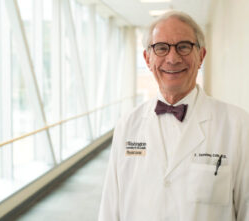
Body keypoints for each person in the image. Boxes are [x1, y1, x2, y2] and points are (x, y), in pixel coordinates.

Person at [98, 10, 249, 221]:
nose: (172, 58)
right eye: (161, 48)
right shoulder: (127, 125)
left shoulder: (238, 125)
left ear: (201, 56)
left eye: (184, 47)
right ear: (147, 59)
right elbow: (110, 209)